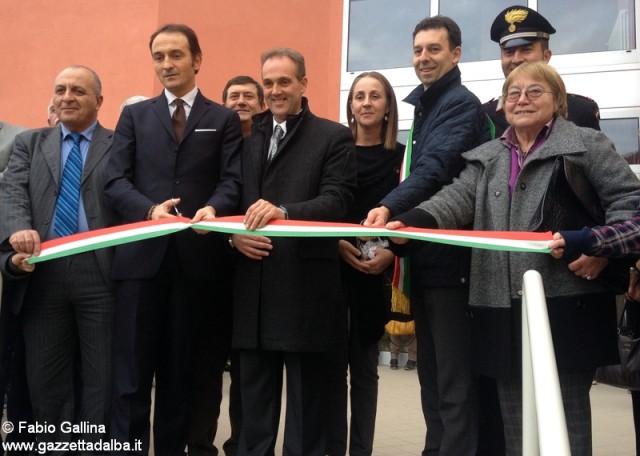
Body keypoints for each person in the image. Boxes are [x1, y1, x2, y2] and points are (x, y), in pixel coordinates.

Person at [386, 62, 640, 456]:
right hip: (497, 311)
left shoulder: (587, 145)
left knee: (565, 427)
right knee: (515, 431)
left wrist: (595, 243)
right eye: (512, 93)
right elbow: (454, 199)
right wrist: (410, 223)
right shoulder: (486, 156)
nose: (521, 99)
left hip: (566, 310)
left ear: (557, 99)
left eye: (534, 91)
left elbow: (632, 209)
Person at [104, 24, 242, 456]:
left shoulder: (222, 118)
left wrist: (214, 209)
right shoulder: (135, 115)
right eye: (159, 56)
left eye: (176, 55)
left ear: (197, 60)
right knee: (130, 377)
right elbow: (114, 180)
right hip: (140, 266)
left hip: (196, 265)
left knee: (179, 376)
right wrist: (149, 210)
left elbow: (232, 181)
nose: (167, 64)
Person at [363, 16, 488, 455]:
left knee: (452, 386)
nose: (423, 58)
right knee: (431, 378)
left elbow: (434, 169)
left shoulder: (458, 105)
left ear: (456, 54)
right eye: (418, 50)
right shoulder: (428, 106)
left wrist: (388, 206)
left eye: (433, 49)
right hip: (427, 263)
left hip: (453, 265)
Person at [228, 47, 356, 456]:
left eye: (285, 81)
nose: (276, 90)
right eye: (269, 83)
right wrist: (231, 237)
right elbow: (230, 200)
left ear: (304, 83)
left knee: (308, 417)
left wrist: (284, 212)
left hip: (306, 293)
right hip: (254, 291)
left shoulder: (332, 135)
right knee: (253, 416)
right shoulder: (247, 137)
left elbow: (337, 200)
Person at [0, 65, 119, 448]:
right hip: (43, 271)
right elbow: (12, 190)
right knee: (45, 379)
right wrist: (18, 228)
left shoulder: (119, 146)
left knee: (101, 378)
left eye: (78, 91)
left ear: (99, 101)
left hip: (101, 274)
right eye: (60, 89)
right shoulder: (29, 144)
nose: (66, 97)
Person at [323, 71, 402, 456]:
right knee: (333, 370)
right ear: (350, 106)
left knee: (366, 370)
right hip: (333, 269)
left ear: (388, 106)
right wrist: (335, 242)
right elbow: (324, 207)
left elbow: (409, 212)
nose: (366, 103)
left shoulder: (402, 158)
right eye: (359, 96)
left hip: (376, 270)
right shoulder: (335, 152)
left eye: (375, 96)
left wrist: (391, 252)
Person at [219, 75, 264, 456]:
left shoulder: (269, 144)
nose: (241, 101)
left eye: (249, 95)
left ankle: (241, 442)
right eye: (233, 96)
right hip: (215, 270)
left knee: (246, 368)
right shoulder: (215, 143)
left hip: (260, 267)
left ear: (261, 104)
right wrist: (229, 237)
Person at [482, 5, 600, 138]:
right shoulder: (485, 116)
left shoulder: (580, 111)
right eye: (509, 52)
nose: (516, 59)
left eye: (526, 50)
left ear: (546, 56)